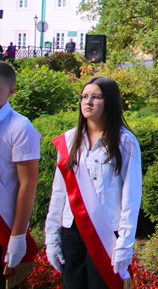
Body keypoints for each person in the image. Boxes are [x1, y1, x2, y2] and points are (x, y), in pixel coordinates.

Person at [45, 77, 142, 289]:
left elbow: (131, 196)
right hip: (71, 232)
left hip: (106, 234)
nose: (88, 102)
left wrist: (125, 244)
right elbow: (59, 193)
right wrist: (51, 237)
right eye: (84, 96)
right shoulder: (69, 140)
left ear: (110, 101)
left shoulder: (125, 141)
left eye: (96, 97)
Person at [0, 60, 40, 281]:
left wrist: (17, 236)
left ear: (11, 91)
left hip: (2, 226)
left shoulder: (21, 127)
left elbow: (28, 183)